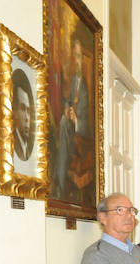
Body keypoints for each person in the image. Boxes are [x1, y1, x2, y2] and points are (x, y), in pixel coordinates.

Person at [54, 39, 91, 202]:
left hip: (80, 136)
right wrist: (66, 110)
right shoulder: (68, 80)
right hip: (67, 128)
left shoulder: (83, 84)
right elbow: (65, 101)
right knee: (62, 122)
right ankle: (60, 182)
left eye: (79, 57)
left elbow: (86, 124)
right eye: (74, 56)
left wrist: (75, 119)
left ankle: (60, 182)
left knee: (64, 124)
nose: (76, 61)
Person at [12, 69, 34, 161]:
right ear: (15, 112)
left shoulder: (27, 151)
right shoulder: (14, 143)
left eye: (28, 111)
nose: (27, 118)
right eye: (23, 109)